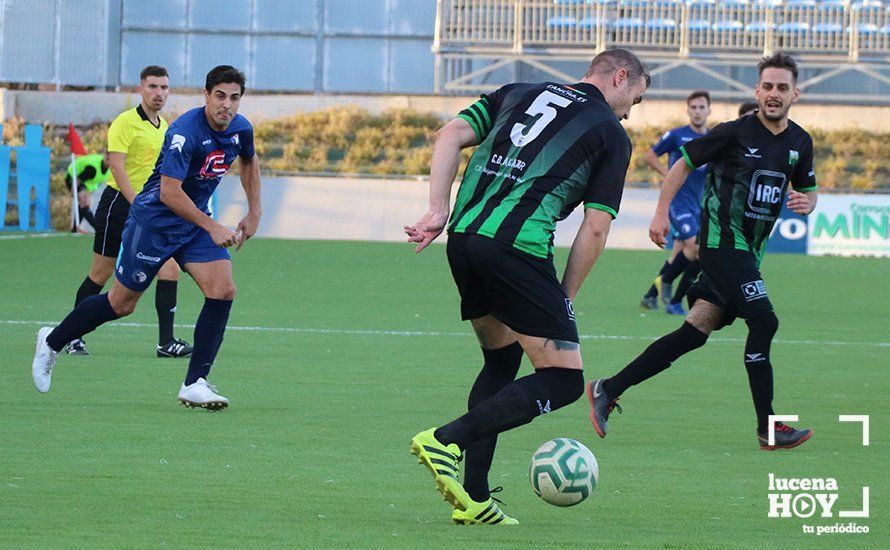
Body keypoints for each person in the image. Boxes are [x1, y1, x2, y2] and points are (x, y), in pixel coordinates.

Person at [405, 49, 649, 524]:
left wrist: (437, 211)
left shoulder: (518, 92)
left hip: (465, 239)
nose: (628, 112)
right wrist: (564, 297)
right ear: (620, 77)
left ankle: (473, 496)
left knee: (501, 359)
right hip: (516, 249)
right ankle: (444, 440)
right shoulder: (609, 133)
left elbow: (449, 135)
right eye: (634, 100)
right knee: (562, 380)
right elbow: (595, 227)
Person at [588, 53, 818, 451]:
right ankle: (768, 427)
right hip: (721, 247)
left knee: (692, 334)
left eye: (782, 87)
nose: (774, 94)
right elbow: (681, 165)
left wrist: (807, 202)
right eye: (767, 87)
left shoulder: (800, 142)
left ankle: (608, 388)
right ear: (756, 91)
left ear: (795, 93)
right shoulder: (733, 133)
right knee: (764, 322)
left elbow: (808, 189)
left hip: (750, 253)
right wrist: (661, 215)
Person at [32, 65, 262, 411]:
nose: (226, 105)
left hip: (192, 224)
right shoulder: (184, 133)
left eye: (234, 98)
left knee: (222, 288)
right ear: (206, 96)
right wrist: (213, 226)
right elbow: (169, 193)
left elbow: (249, 160)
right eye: (219, 96)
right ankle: (52, 340)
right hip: (153, 223)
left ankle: (195, 383)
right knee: (121, 304)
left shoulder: (241, 129)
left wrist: (254, 211)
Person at [64, 66, 192, 358]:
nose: (159, 93)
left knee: (169, 268)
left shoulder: (165, 127)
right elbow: (117, 166)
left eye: (163, 88)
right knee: (100, 273)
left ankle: (166, 343)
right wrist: (135, 201)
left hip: (150, 210)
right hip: (119, 205)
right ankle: (73, 337)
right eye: (153, 87)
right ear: (140, 89)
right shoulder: (124, 122)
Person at [639, 90, 711, 315]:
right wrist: (668, 173)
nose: (697, 112)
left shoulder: (711, 140)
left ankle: (650, 296)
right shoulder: (676, 135)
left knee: (678, 255)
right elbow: (650, 155)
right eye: (694, 107)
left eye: (701, 107)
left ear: (709, 110)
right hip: (676, 204)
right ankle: (673, 297)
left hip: (696, 205)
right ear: (687, 110)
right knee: (697, 249)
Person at [65, 153, 110, 233]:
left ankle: (75, 230)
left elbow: (96, 182)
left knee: (84, 204)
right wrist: (74, 191)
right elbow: (78, 180)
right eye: (107, 155)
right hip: (73, 177)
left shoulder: (110, 170)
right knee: (85, 202)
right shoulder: (92, 169)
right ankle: (98, 229)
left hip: (84, 183)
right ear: (104, 155)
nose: (109, 158)